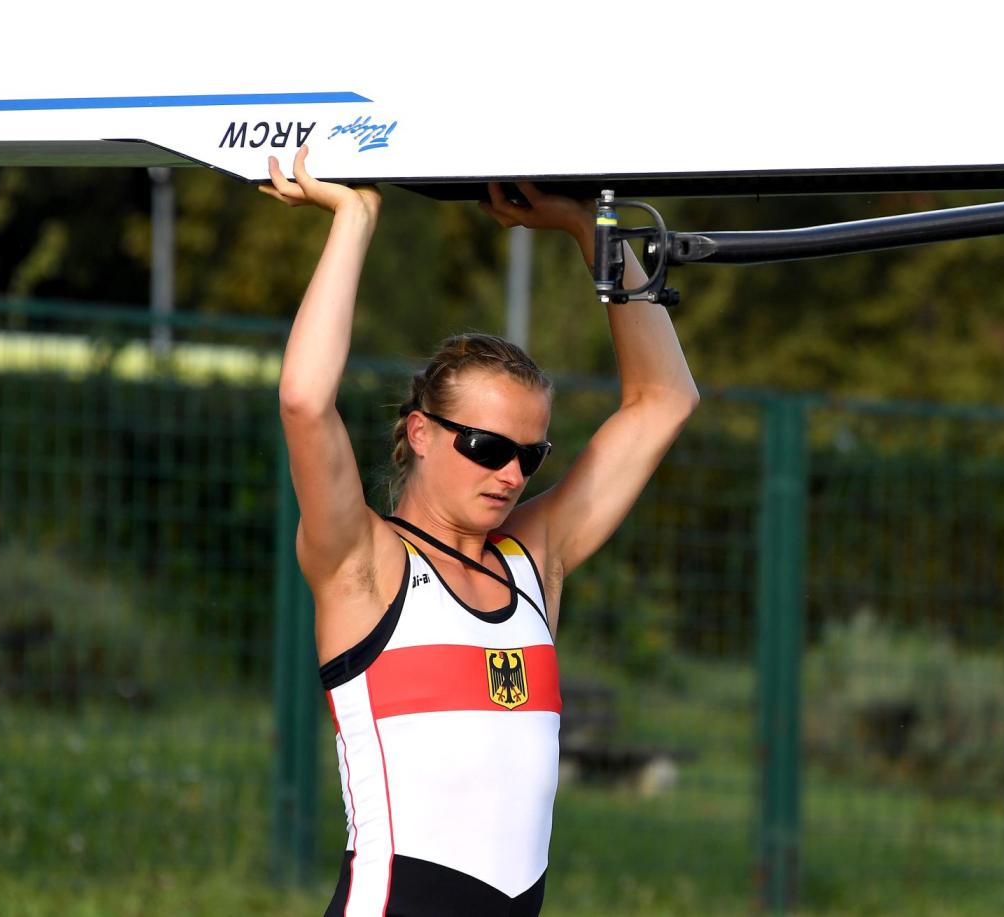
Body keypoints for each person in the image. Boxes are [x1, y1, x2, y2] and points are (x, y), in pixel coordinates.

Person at [264, 145, 698, 917]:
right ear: (420, 432)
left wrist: (587, 227)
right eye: (486, 446)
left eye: (530, 455)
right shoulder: (364, 564)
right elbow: (304, 399)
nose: (511, 474)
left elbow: (665, 398)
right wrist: (355, 216)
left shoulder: (534, 563)